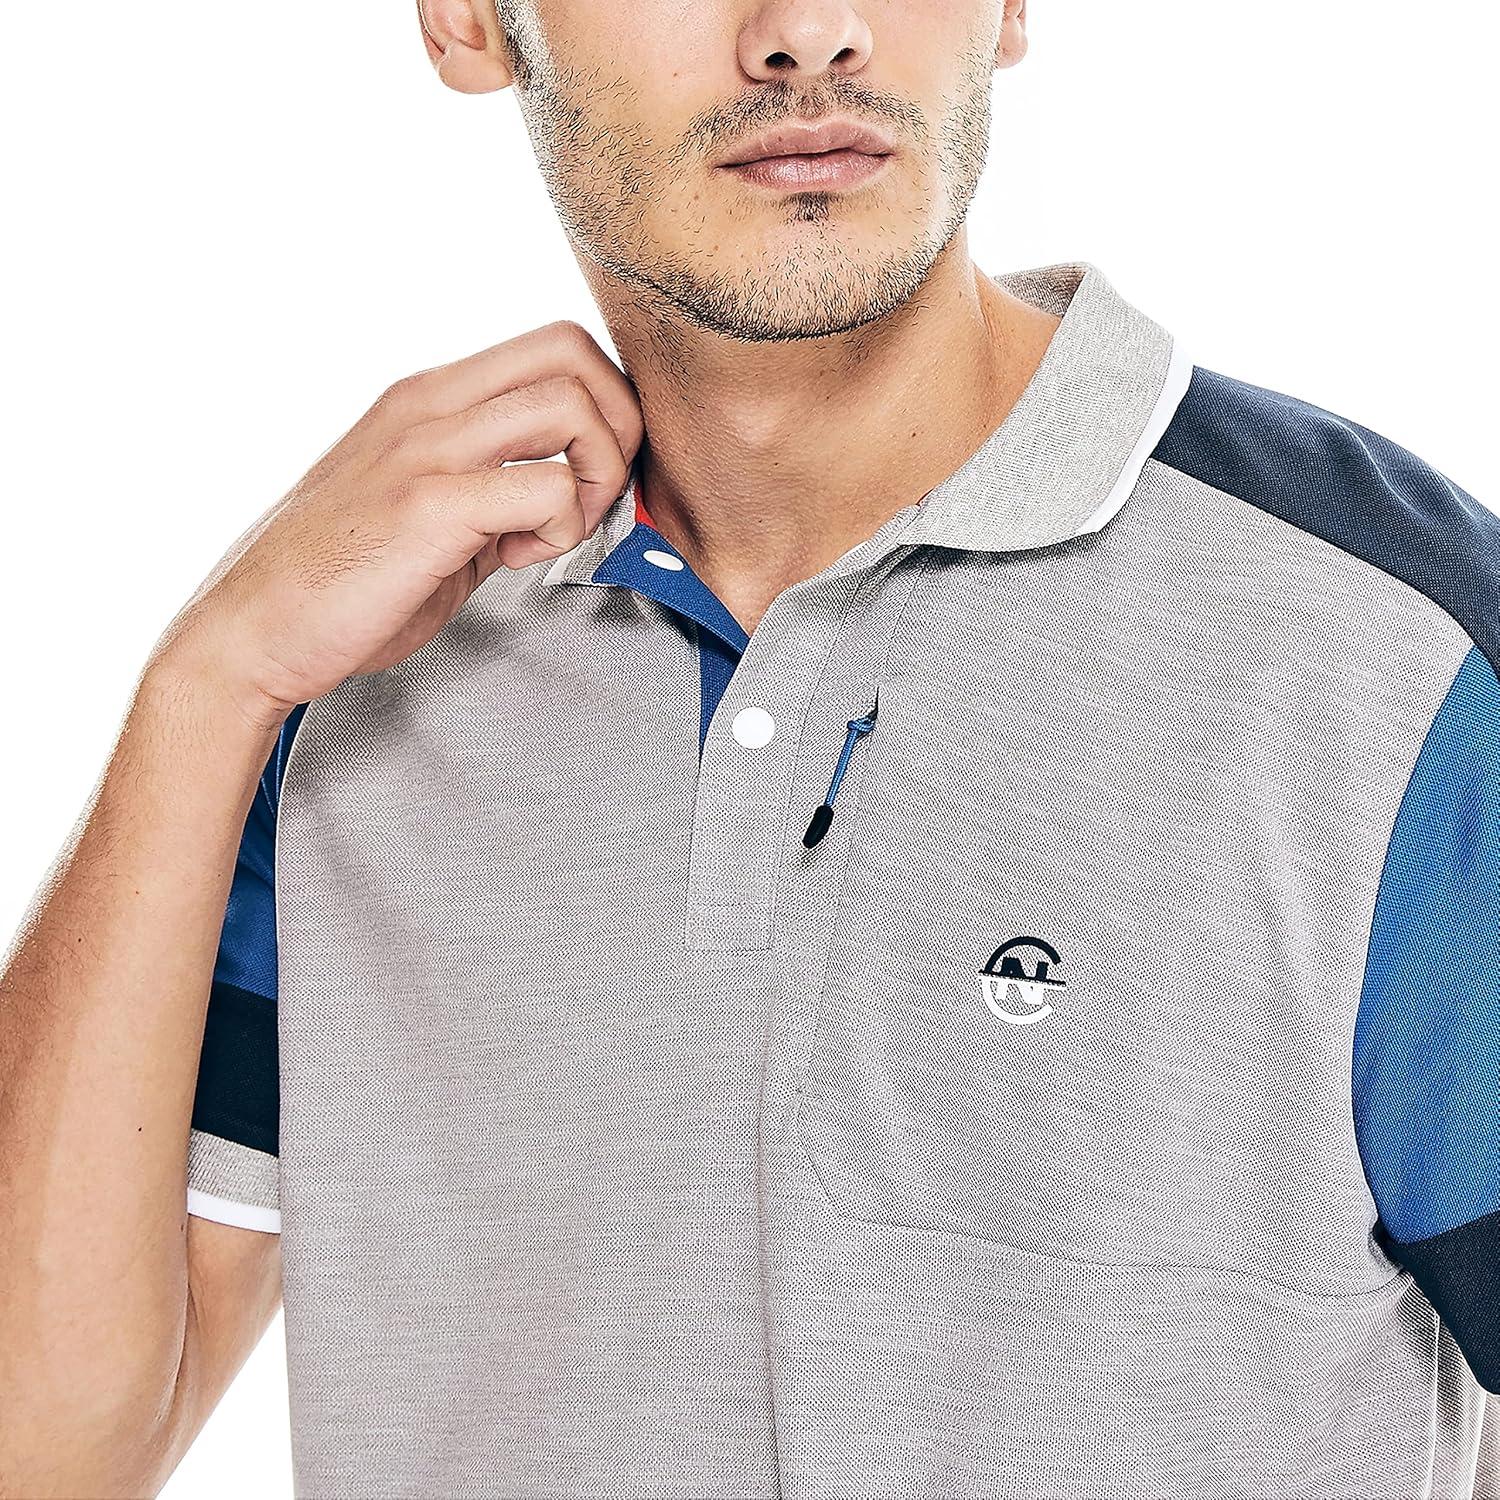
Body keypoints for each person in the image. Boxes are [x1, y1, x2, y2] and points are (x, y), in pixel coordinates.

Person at [2, 0, 1496, 1495]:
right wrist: (210, 686)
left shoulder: (1390, 655)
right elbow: (47, 1446)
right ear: (466, 23)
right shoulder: (356, 665)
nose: (810, 33)